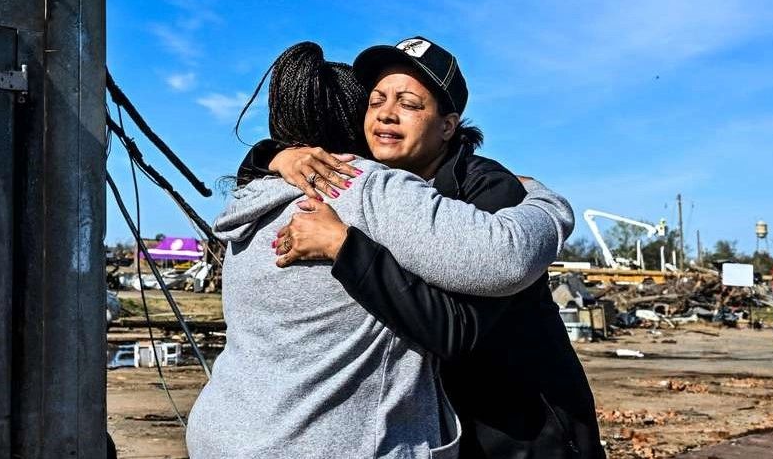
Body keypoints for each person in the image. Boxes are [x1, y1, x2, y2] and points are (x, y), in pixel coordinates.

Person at [186, 42, 574, 459]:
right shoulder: (358, 182)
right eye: (376, 101)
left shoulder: (486, 188)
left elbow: (461, 319)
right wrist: (278, 154)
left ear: (448, 126)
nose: (387, 113)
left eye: (409, 103)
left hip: (521, 432)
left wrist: (342, 244)